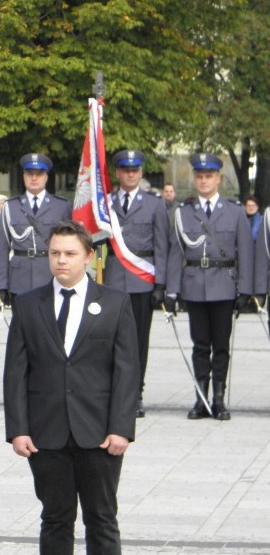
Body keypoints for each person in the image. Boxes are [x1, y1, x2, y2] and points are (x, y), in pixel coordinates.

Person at [4, 220, 140, 555]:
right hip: (46, 433)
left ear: (88, 257)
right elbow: (16, 372)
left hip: (99, 433)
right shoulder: (29, 304)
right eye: (54, 253)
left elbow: (127, 370)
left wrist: (121, 427)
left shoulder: (114, 303)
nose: (60, 260)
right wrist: (18, 429)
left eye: (69, 253)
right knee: (55, 519)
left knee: (102, 519)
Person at [166, 153, 253, 420]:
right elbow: (176, 252)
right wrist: (172, 290)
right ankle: (201, 399)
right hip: (194, 286)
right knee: (200, 345)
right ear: (195, 179)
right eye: (199, 176)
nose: (204, 181)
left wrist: (245, 290)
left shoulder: (235, 211)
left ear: (218, 178)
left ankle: (218, 399)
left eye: (209, 176)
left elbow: (246, 253)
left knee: (222, 346)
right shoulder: (184, 212)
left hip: (224, 286)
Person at [104, 150, 169, 418]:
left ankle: (136, 394)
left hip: (143, 280)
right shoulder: (105, 204)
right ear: (117, 173)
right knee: (109, 341)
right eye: (125, 169)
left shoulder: (154, 204)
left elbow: (162, 245)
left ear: (141, 172)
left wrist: (160, 284)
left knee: (139, 341)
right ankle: (114, 392)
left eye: (135, 169)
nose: (130, 174)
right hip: (112, 281)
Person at [0, 153, 72, 309]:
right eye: (30, 174)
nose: (34, 178)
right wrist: (1, 285)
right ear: (24, 176)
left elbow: (70, 245)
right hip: (19, 280)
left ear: (46, 177)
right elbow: (2, 248)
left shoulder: (61, 206)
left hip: (51, 276)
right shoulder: (10, 207)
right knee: (22, 330)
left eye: (39, 174)